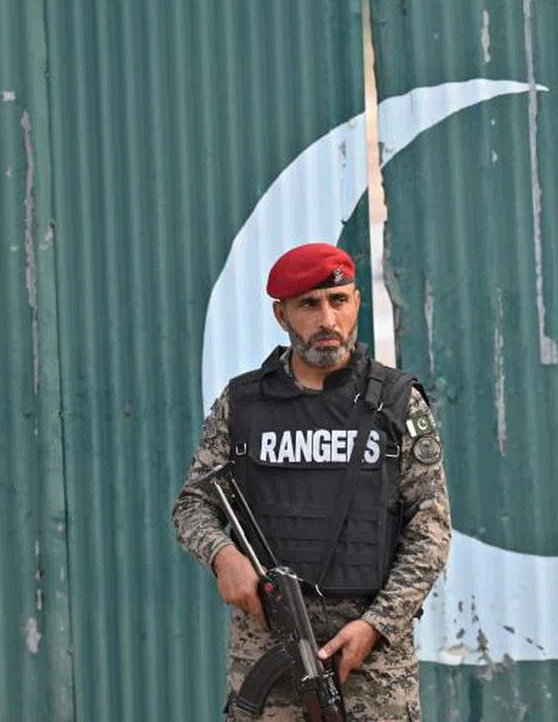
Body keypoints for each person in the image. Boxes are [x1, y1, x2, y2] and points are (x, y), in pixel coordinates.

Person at [171, 242, 452, 720]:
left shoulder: (398, 403)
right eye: (309, 305)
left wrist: (376, 624)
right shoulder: (243, 404)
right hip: (267, 645)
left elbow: (431, 528)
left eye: (338, 300)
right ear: (282, 315)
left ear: (357, 302)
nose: (327, 319)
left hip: (373, 662)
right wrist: (222, 556)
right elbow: (192, 505)